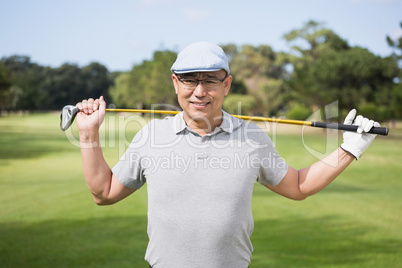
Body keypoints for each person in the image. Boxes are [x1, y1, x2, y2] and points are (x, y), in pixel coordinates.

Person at [75, 41, 380, 268]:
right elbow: (103, 193)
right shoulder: (151, 136)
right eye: (189, 79)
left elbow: (298, 186)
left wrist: (349, 149)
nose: (199, 91)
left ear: (227, 85)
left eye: (210, 80)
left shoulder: (253, 138)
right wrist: (89, 132)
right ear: (175, 83)